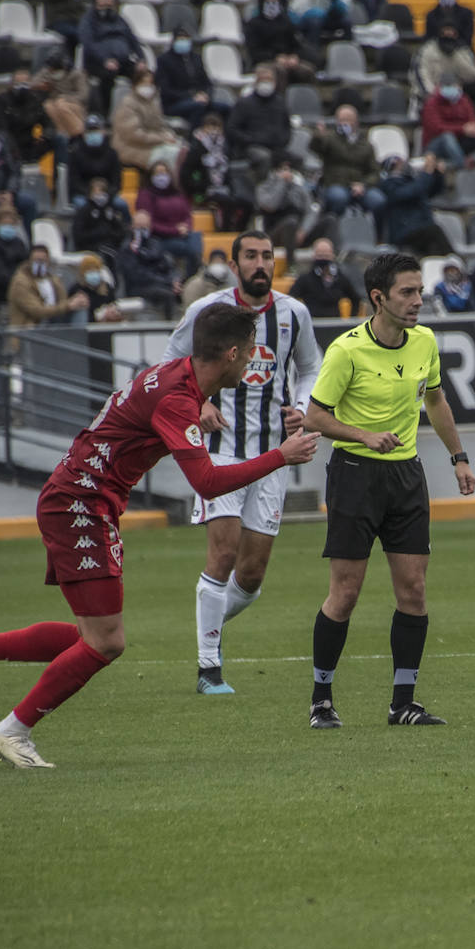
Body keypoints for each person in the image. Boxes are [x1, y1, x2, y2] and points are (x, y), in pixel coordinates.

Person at [0, 303, 322, 768]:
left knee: (93, 636)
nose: (254, 359)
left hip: (83, 500)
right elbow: (208, 482)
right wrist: (282, 455)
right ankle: (12, 730)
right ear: (231, 353)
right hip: (80, 505)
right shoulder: (177, 397)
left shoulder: (178, 377)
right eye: (250, 350)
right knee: (105, 642)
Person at [302, 251, 475, 728]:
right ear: (378, 298)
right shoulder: (347, 350)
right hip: (355, 475)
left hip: (406, 478)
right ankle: (321, 700)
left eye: (419, 291)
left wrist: (458, 458)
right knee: (346, 593)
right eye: (407, 292)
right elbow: (315, 417)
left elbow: (436, 400)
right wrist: (364, 436)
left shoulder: (425, 342)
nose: (418, 300)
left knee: (414, 592)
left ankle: (403, 704)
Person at [162, 231, 323, 693]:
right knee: (224, 554)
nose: (260, 263)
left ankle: (206, 619)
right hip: (220, 452)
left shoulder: (294, 314)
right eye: (250, 256)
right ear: (234, 265)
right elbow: (169, 365)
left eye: (267, 256)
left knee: (250, 576)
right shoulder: (206, 313)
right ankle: (208, 667)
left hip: (274, 455)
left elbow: (312, 367)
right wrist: (197, 404)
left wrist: (304, 405)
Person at [414, 22, 475, 126]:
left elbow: (474, 75)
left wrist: (457, 58)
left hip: (457, 91)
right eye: (445, 32)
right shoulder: (427, 51)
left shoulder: (463, 50)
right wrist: (433, 94)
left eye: (451, 32)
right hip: (432, 93)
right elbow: (421, 76)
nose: (448, 35)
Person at [179, 112, 253, 233]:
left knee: (247, 203)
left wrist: (230, 188)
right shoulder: (196, 148)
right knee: (228, 202)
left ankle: (240, 231)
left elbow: (227, 172)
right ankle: (225, 233)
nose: (213, 130)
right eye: (210, 127)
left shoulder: (225, 147)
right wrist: (200, 187)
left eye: (216, 127)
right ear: (203, 128)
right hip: (204, 192)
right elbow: (186, 174)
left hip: (224, 189)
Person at [311, 105, 386, 222]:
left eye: (348, 119)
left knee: (378, 200)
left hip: (360, 186)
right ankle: (332, 230)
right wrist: (318, 136)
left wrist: (363, 185)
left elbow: (375, 172)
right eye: (341, 120)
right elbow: (316, 148)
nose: (344, 123)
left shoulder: (366, 145)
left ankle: (378, 236)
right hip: (336, 184)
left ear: (356, 121)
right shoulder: (330, 139)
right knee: (338, 198)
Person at [421, 73, 475, 172]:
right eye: (448, 86)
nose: (452, 89)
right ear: (440, 87)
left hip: (460, 142)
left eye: (454, 86)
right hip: (436, 144)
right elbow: (437, 128)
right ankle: (462, 165)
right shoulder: (431, 103)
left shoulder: (463, 100)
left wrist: (473, 128)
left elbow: (472, 119)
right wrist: (462, 129)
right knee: (447, 136)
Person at [79, 0, 146, 114]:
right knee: (108, 75)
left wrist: (141, 59)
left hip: (122, 61)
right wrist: (105, 60)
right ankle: (104, 114)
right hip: (97, 63)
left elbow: (133, 40)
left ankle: (141, 111)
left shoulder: (119, 19)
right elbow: (88, 44)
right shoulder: (88, 20)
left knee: (142, 74)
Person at [225, 64, 291, 184]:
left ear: (275, 82)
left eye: (269, 80)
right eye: (263, 80)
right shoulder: (244, 103)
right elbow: (232, 129)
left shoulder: (280, 102)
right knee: (264, 157)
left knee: (296, 159)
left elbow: (287, 127)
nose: (266, 83)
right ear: (256, 82)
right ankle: (263, 191)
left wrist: (282, 141)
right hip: (251, 147)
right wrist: (250, 139)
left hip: (276, 146)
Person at [135, 160, 202, 277]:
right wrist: (174, 230)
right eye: (158, 173)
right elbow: (148, 223)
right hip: (160, 238)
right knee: (188, 248)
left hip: (181, 234)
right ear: (151, 176)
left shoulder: (177, 193)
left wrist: (186, 227)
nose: (162, 177)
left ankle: (195, 275)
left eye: (164, 173)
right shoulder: (146, 195)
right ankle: (188, 279)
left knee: (196, 237)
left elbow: (187, 215)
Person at [110, 69, 184, 172]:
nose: (147, 87)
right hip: (132, 147)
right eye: (144, 83)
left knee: (181, 150)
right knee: (170, 156)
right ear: (135, 84)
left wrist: (169, 135)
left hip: (151, 144)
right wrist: (161, 138)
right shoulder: (128, 104)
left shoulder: (153, 102)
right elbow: (134, 135)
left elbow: (160, 125)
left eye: (150, 84)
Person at [379, 154, 452, 257]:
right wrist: (427, 172)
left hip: (421, 228)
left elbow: (434, 190)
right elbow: (411, 192)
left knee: (433, 246)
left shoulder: (414, 181)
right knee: (434, 231)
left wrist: (438, 174)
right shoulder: (389, 184)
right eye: (398, 163)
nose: (403, 164)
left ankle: (440, 268)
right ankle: (454, 261)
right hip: (403, 231)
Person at [115, 209, 183, 317]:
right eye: (139, 227)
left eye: (145, 227)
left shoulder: (155, 243)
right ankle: (169, 328)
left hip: (160, 283)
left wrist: (174, 280)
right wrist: (167, 282)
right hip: (139, 287)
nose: (142, 231)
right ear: (132, 227)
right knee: (167, 294)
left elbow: (168, 265)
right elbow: (137, 275)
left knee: (181, 290)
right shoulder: (127, 248)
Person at [156, 28, 224, 128]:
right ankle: (195, 140)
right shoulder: (164, 60)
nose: (183, 42)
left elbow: (207, 83)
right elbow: (166, 90)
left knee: (225, 109)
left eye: (185, 39)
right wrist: (192, 96)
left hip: (200, 100)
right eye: (180, 39)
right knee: (198, 108)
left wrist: (206, 95)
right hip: (174, 103)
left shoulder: (196, 58)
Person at [8, 244, 90, 327]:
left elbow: (62, 302)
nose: (40, 263)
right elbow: (37, 311)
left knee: (80, 308)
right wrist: (68, 305)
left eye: (43, 261)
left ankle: (78, 339)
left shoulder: (53, 280)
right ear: (29, 261)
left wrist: (77, 301)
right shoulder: (21, 282)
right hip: (31, 326)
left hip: (53, 321)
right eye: (36, 260)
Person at [245, 0, 319, 83]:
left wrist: (294, 56)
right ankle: (280, 96)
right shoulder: (253, 24)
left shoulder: (286, 22)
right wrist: (275, 57)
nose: (272, 5)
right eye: (268, 2)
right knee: (280, 71)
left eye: (274, 2)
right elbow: (254, 51)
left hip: (287, 59)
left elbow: (296, 45)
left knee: (307, 70)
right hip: (265, 61)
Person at [255, 159, 321, 258]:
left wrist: (303, 230)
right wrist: (281, 183)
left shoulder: (299, 189)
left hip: (299, 234)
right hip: (274, 234)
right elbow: (271, 205)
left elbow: (311, 212)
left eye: (289, 170)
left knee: (330, 220)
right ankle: (291, 265)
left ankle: (330, 263)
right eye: (282, 170)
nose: (287, 173)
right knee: (291, 222)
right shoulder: (263, 188)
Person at [0, 67, 55, 166]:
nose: (22, 87)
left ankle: (58, 173)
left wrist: (45, 136)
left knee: (58, 139)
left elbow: (48, 124)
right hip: (9, 143)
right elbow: (1, 129)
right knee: (2, 140)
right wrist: (12, 147)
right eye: (18, 84)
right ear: (11, 85)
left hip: (29, 143)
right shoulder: (1, 101)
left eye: (25, 84)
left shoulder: (35, 100)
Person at [289, 238, 362, 318]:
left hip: (335, 324)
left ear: (332, 256)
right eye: (320, 255)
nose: (323, 259)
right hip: (312, 324)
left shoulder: (340, 278)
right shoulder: (305, 279)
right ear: (314, 256)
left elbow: (356, 299)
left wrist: (351, 319)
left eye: (326, 255)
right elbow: (291, 299)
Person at [31, 51, 90, 146]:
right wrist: (41, 85)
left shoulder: (77, 74)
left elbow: (83, 95)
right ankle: (63, 135)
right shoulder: (48, 71)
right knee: (48, 106)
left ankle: (79, 133)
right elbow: (32, 83)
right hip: (54, 103)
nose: (52, 71)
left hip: (74, 105)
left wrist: (65, 98)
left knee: (61, 104)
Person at [67, 114, 124, 207]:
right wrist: (91, 194)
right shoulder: (75, 154)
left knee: (122, 205)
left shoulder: (112, 153)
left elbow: (117, 182)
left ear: (103, 132)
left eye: (96, 130)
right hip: (83, 195)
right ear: (84, 134)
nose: (93, 133)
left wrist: (106, 194)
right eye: (90, 131)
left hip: (107, 195)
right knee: (82, 206)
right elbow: (74, 182)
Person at [71, 177, 130, 259]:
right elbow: (78, 235)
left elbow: (120, 231)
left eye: (102, 193)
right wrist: (98, 233)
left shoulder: (109, 210)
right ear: (90, 194)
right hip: (90, 247)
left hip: (109, 245)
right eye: (96, 193)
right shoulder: (84, 211)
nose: (100, 196)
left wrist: (110, 233)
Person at [69, 254, 120, 321]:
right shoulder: (76, 289)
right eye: (90, 271)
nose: (93, 273)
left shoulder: (107, 288)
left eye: (96, 270)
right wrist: (97, 317)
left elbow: (114, 305)